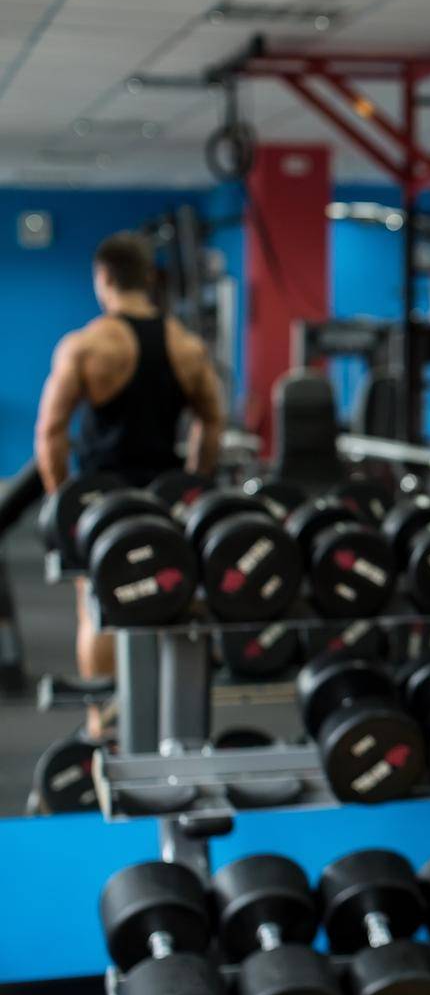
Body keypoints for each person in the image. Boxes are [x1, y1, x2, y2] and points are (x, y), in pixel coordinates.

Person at [34, 231, 225, 683]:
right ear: (148, 279)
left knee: (99, 604)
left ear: (104, 279)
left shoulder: (86, 345)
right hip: (162, 501)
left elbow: (50, 432)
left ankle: (106, 721)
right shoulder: (188, 347)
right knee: (165, 597)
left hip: (102, 502)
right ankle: (163, 723)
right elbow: (212, 423)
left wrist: (63, 503)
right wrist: (194, 482)